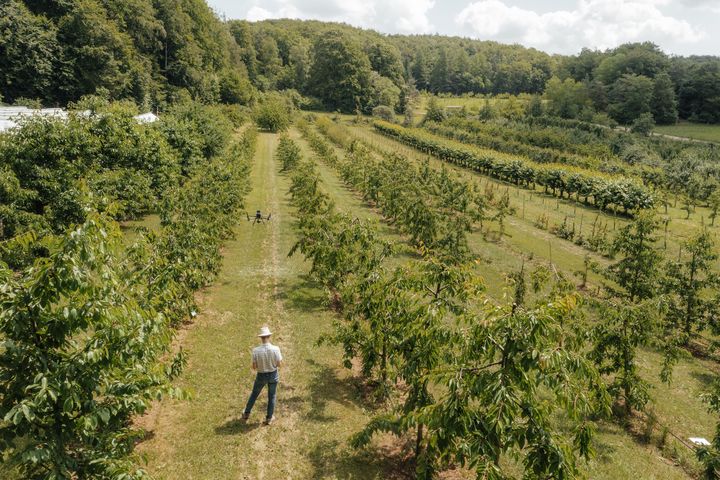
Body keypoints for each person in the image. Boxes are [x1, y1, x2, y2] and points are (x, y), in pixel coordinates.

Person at [242, 326, 283, 425]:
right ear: (269, 336)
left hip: (261, 375)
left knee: (254, 394)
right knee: (272, 396)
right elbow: (279, 364)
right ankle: (269, 418)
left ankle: (246, 413)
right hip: (273, 374)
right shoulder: (276, 349)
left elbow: (254, 367)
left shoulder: (256, 350)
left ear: (261, 337)